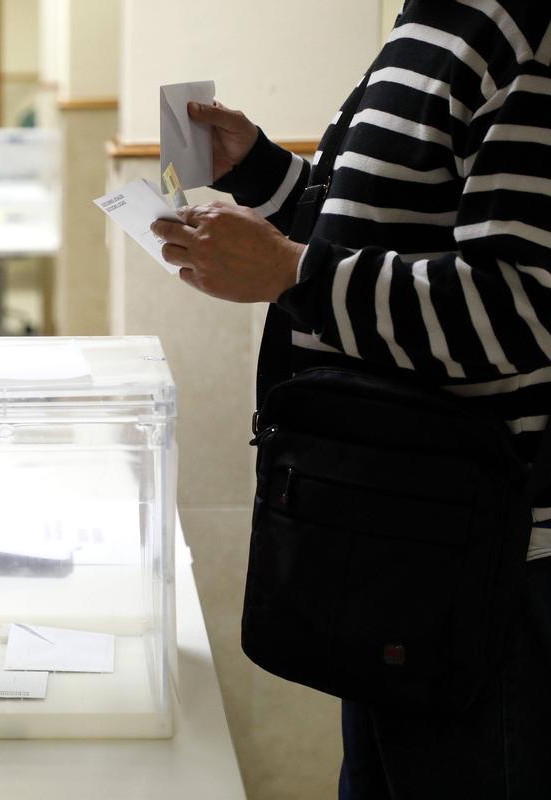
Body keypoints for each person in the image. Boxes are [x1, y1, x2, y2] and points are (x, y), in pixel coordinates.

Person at [149, 1, 551, 796]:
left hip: (484, 569)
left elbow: (522, 311)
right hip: (394, 540)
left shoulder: (522, 27)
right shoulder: (427, 19)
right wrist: (263, 172)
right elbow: (382, 234)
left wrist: (293, 273)